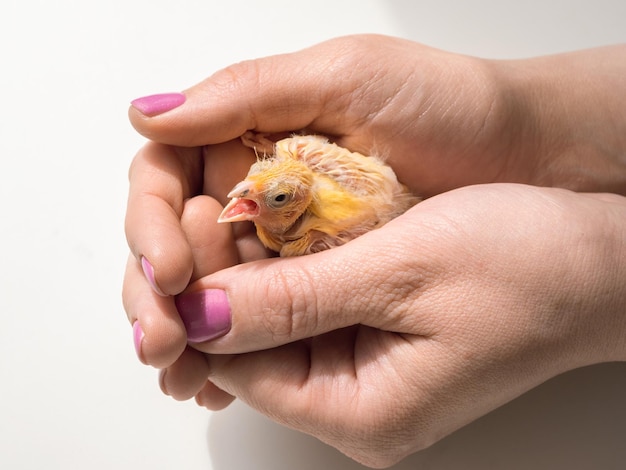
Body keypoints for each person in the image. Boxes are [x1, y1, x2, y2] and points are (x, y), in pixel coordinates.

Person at [122, 34, 626, 468]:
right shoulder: (294, 156)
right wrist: (547, 122)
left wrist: (600, 272)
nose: (244, 193)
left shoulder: (307, 235)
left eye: (274, 197)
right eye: (257, 183)